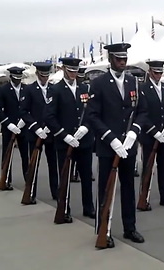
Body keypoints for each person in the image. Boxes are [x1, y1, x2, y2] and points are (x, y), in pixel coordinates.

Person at [86, 43, 148, 248]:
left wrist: (134, 132)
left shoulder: (134, 82)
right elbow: (93, 116)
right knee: (105, 189)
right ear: (111, 58)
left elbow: (142, 111)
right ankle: (104, 229)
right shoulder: (98, 83)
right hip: (107, 147)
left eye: (125, 58)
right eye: (119, 58)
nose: (123, 61)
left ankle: (130, 227)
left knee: (128, 188)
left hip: (128, 146)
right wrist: (111, 138)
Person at [44, 57, 95, 223]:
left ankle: (89, 207)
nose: (74, 74)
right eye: (70, 70)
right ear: (63, 69)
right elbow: (50, 117)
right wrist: (64, 135)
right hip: (64, 141)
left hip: (84, 140)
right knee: (64, 176)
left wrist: (86, 127)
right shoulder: (56, 89)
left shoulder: (84, 88)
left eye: (76, 71)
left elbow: (91, 112)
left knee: (86, 176)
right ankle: (64, 208)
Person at [137, 60, 164, 210]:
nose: (158, 75)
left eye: (160, 72)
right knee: (148, 166)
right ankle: (144, 197)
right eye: (156, 72)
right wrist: (153, 131)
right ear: (149, 72)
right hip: (150, 135)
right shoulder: (142, 88)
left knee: (163, 166)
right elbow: (141, 113)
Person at [20, 62, 58, 202]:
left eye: (47, 75)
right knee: (33, 163)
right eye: (42, 75)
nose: (45, 78)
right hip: (35, 132)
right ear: (37, 74)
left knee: (53, 164)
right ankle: (31, 193)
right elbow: (24, 111)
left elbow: (56, 110)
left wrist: (51, 126)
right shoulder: (29, 90)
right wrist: (36, 127)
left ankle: (56, 192)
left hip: (50, 132)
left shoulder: (54, 89)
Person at [0, 67, 29, 189]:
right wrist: (8, 123)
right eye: (15, 78)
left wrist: (25, 120)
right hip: (9, 126)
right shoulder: (3, 90)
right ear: (11, 77)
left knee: (26, 155)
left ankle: (28, 179)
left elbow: (30, 106)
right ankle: (6, 179)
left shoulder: (26, 89)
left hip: (23, 126)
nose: (18, 80)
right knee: (7, 154)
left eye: (19, 78)